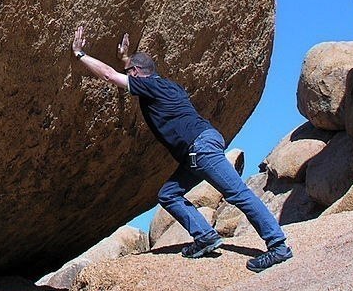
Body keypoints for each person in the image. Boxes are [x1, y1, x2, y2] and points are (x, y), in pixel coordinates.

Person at [72, 25, 293, 272]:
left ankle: (278, 246)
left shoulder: (150, 87)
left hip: (200, 148)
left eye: (130, 72)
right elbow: (133, 73)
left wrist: (80, 54)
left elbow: (110, 76)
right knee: (168, 194)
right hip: (197, 150)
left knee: (238, 193)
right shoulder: (167, 85)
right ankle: (205, 236)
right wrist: (126, 58)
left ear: (136, 73)